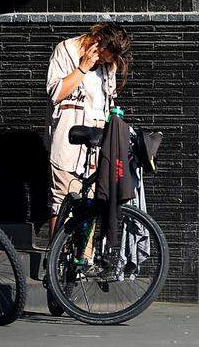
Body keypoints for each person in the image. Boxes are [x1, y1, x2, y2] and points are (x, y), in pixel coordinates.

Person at [44, 21, 133, 237]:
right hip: (68, 143)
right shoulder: (66, 50)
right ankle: (57, 263)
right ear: (97, 41)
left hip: (97, 145)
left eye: (108, 60)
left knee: (92, 202)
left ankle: (85, 261)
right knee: (62, 200)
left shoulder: (108, 66)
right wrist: (82, 67)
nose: (103, 62)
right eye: (103, 57)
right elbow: (56, 93)